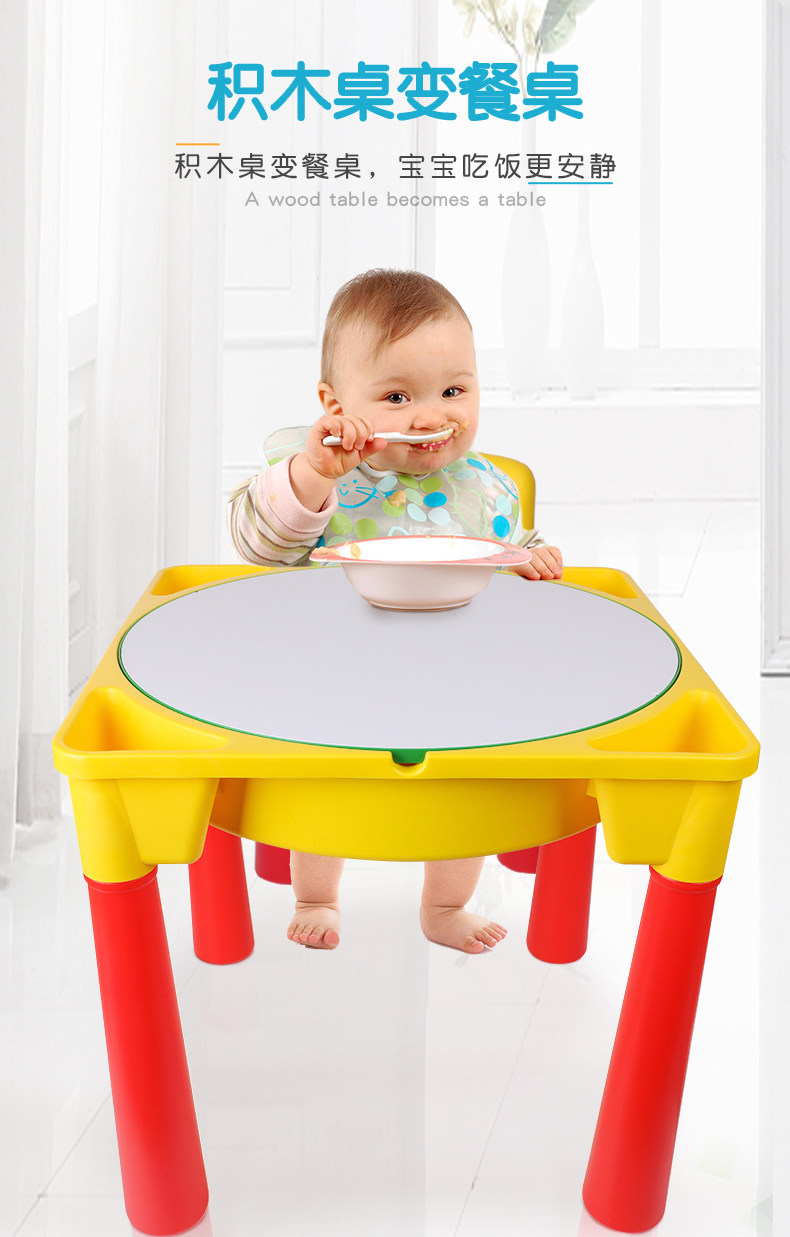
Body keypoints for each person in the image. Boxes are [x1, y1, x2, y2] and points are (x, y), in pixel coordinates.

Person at [228, 268, 562, 954]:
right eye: (397, 397)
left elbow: (509, 549)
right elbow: (260, 544)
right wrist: (314, 475)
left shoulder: (486, 486)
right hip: (336, 684)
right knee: (326, 784)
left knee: (468, 793)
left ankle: (444, 906)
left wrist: (531, 557)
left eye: (454, 391)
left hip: (454, 688)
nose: (431, 416)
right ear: (335, 404)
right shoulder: (319, 472)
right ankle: (316, 895)